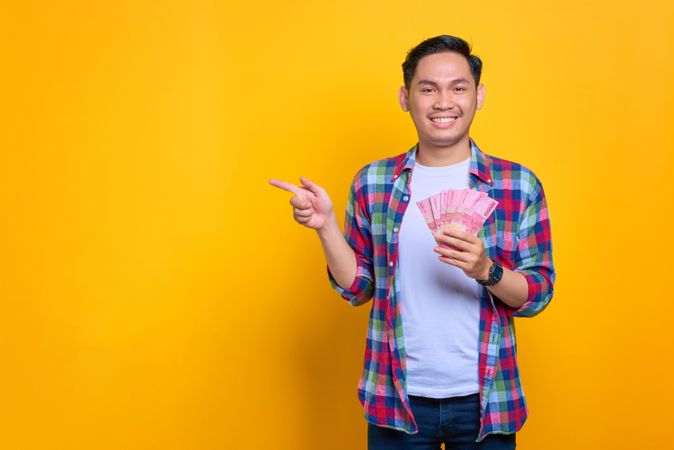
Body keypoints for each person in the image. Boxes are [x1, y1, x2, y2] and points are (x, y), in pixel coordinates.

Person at [270, 35, 555, 450]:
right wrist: (326, 226)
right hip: (396, 397)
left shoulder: (518, 185)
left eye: (458, 87)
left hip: (486, 400)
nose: (444, 102)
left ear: (479, 95)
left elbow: (538, 294)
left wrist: (485, 270)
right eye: (428, 89)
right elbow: (358, 287)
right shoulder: (374, 182)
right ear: (406, 98)